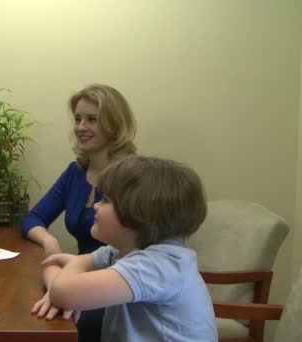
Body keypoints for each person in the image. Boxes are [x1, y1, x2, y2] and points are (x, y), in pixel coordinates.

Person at [45, 155, 218, 341]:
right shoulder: (123, 251)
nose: (95, 206)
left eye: (106, 200)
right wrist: (61, 289)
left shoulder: (159, 265)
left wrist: (64, 290)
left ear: (138, 214)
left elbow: (63, 289)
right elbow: (54, 269)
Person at [22, 84, 136, 340]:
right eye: (78, 119)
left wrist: (66, 286)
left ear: (114, 125)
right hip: (78, 273)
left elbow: (135, 250)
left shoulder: (132, 176)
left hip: (117, 285)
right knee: (34, 308)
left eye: (92, 119)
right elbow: (33, 218)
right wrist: (49, 241)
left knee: (53, 322)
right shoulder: (75, 173)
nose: (81, 127)